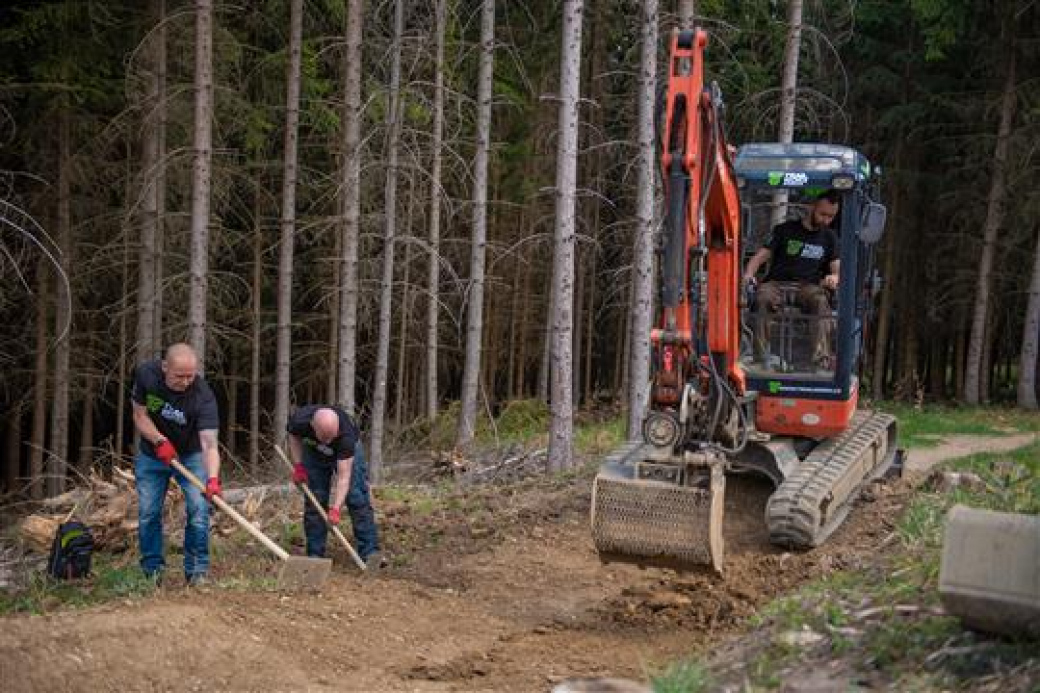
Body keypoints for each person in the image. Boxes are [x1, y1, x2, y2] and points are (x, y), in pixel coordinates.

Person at [130, 343, 222, 585]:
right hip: (153, 454)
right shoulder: (147, 376)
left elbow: (210, 445)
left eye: (190, 376)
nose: (185, 382)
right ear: (164, 368)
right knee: (149, 513)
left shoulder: (203, 396)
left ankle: (196, 571)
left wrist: (212, 478)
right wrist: (159, 440)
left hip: (191, 455)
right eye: (179, 376)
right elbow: (140, 415)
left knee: (198, 512)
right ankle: (152, 571)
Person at [743, 190, 841, 369]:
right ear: (812, 208)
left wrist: (834, 277)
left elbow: (836, 269)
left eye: (831, 216)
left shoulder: (830, 238)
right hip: (777, 283)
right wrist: (749, 275)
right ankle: (760, 358)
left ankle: (820, 360)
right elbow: (759, 257)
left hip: (808, 286)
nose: (826, 220)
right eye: (823, 214)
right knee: (763, 297)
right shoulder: (784, 230)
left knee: (820, 301)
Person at [285, 405, 383, 570]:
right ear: (312, 426)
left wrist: (336, 509)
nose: (329, 442)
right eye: (325, 438)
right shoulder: (300, 420)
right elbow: (293, 437)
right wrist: (299, 466)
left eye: (332, 437)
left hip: (346, 455)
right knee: (315, 499)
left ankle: (370, 552)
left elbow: (344, 477)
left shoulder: (346, 436)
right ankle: (315, 555)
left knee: (356, 496)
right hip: (313, 453)